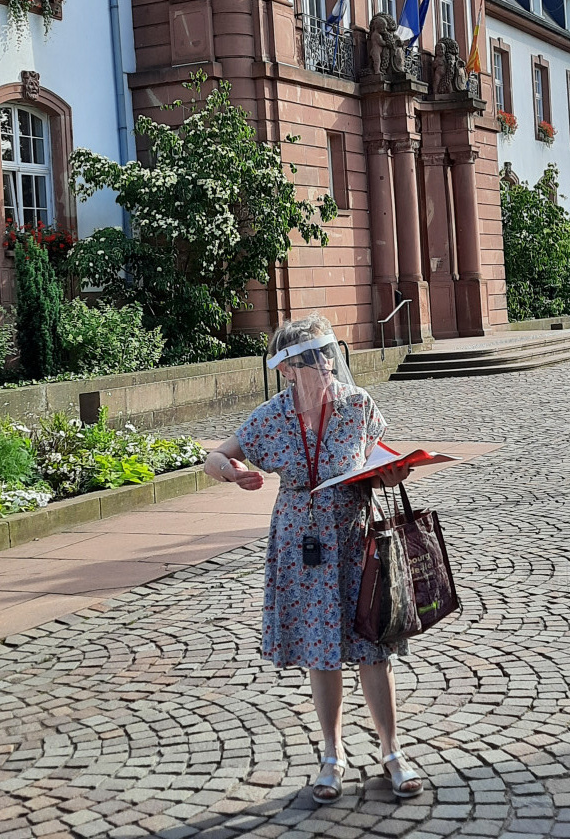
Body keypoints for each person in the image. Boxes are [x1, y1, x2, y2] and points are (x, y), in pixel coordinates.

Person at [203, 314, 423, 805]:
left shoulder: (357, 406)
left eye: (327, 354)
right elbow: (215, 456)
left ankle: (392, 752)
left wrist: (391, 476)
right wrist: (231, 473)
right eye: (309, 358)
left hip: (356, 537)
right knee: (322, 649)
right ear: (286, 369)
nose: (324, 364)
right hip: (302, 547)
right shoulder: (272, 416)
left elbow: (377, 460)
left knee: (373, 645)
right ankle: (332, 754)